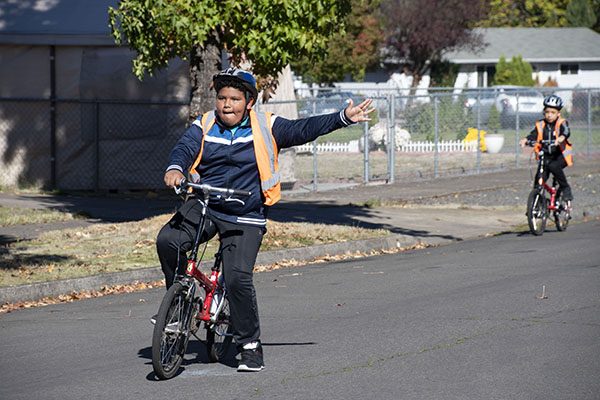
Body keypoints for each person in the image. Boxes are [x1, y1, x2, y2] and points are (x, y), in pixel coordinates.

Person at [155, 67, 375, 372]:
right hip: (206, 202)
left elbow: (302, 129)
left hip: (246, 213)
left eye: (234, 98)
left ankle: (249, 346)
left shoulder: (265, 125)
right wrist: (175, 168)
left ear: (249, 102)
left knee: (236, 279)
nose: (226, 104)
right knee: (169, 240)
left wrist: (342, 118)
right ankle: (178, 308)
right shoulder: (204, 123)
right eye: (221, 98)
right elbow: (184, 148)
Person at [519, 94, 573, 201]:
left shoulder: (561, 123)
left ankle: (565, 188)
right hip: (546, 156)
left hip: (559, 156)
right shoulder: (540, 124)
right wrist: (526, 139)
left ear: (558, 113)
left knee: (553, 166)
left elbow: (566, 131)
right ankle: (535, 205)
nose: (549, 115)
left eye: (553, 113)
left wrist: (561, 137)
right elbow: (534, 134)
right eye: (547, 112)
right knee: (539, 177)